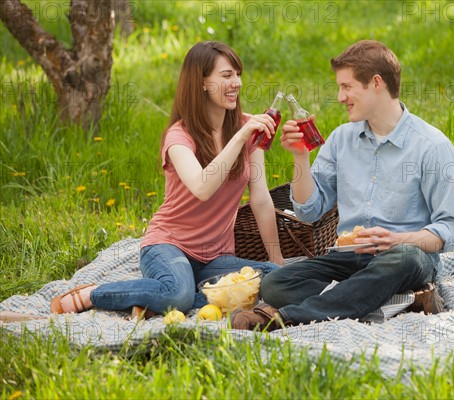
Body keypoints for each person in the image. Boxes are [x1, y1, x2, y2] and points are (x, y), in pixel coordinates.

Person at [231, 40, 454, 330]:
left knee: (404, 258)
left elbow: (452, 229)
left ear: (376, 83)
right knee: (275, 283)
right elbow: (309, 211)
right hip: (349, 259)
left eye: (347, 87)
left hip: (404, 258)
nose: (340, 97)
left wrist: (396, 240)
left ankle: (286, 318)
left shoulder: (432, 147)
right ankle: (403, 301)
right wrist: (301, 158)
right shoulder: (342, 139)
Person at [51, 41, 284, 318]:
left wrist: (276, 258)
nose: (236, 83)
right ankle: (92, 293)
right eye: (226, 76)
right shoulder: (179, 136)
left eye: (237, 74)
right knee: (178, 294)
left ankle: (151, 301)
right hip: (168, 245)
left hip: (216, 257)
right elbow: (201, 187)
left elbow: (260, 198)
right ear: (201, 83)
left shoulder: (247, 130)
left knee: (275, 279)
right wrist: (240, 138)